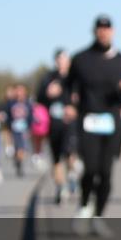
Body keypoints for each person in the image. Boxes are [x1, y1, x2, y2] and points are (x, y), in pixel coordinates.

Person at [67, 15, 121, 236]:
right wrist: (69, 104)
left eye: (107, 29)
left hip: (112, 123)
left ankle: (98, 215)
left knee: (106, 172)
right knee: (90, 169)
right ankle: (84, 206)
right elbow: (68, 87)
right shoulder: (80, 59)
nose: (104, 32)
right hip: (88, 120)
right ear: (95, 31)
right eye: (100, 28)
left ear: (112, 32)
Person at [37, 49, 78, 205]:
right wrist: (47, 93)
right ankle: (60, 187)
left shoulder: (75, 77)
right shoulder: (49, 77)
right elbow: (39, 98)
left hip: (70, 123)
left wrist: (75, 107)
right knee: (56, 158)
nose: (62, 62)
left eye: (64, 59)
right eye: (59, 59)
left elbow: (85, 96)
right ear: (55, 61)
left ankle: (72, 175)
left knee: (70, 152)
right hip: (53, 124)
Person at [3, 84, 33, 178]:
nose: (19, 92)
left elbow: (30, 117)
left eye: (21, 90)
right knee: (18, 148)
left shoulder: (28, 103)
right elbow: (7, 116)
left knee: (23, 149)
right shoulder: (11, 103)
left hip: (24, 129)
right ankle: (18, 163)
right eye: (18, 90)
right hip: (14, 129)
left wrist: (30, 128)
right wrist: (8, 129)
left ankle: (18, 162)